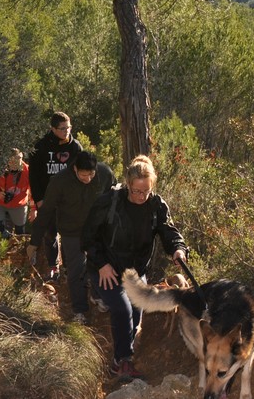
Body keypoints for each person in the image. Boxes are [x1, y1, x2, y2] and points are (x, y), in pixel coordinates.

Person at [83, 154, 188, 380]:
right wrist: (101, 264)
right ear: (128, 184)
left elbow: (168, 231)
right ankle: (122, 361)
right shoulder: (109, 202)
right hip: (106, 269)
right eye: (136, 191)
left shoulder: (156, 205)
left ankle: (123, 356)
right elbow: (88, 237)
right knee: (123, 309)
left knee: (136, 310)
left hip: (135, 271)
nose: (141, 196)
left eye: (146, 191)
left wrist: (178, 249)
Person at [34, 150, 115, 324]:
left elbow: (113, 197)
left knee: (99, 263)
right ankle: (80, 310)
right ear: (75, 169)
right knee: (76, 270)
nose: (88, 179)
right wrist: (34, 241)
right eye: (83, 175)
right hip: (71, 231)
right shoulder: (60, 181)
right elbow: (46, 211)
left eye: (91, 175)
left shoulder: (105, 173)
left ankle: (97, 295)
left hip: (96, 230)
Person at [27, 112, 84, 280]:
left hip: (69, 201)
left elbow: (83, 174)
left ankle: (68, 268)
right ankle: (53, 267)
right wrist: (39, 200)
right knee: (50, 234)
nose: (67, 131)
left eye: (69, 127)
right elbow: (34, 177)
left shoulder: (76, 148)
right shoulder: (40, 147)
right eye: (62, 128)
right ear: (53, 129)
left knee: (68, 235)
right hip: (47, 200)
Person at [0, 148, 33, 236]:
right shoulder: (0, 169)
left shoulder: (28, 171)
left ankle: (13, 240)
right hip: (0, 203)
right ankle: (4, 240)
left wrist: (33, 209)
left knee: (20, 232)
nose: (16, 163)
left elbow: (34, 191)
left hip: (19, 205)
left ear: (22, 156)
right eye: (12, 160)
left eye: (18, 158)